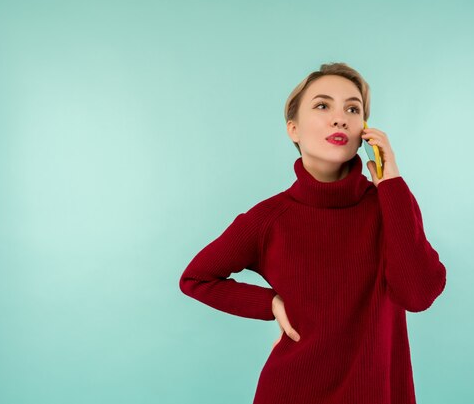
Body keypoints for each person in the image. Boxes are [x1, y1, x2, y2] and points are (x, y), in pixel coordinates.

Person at [178, 62, 447, 404]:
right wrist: (271, 303)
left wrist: (391, 182)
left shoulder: (390, 206)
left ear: (363, 129)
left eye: (353, 108)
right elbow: (196, 278)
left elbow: (417, 295)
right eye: (322, 105)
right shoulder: (270, 219)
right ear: (293, 129)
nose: (340, 118)